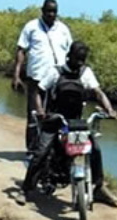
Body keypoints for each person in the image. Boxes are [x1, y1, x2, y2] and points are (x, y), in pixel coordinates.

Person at [21, 41, 117, 206]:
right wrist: (40, 111)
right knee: (41, 152)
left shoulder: (85, 73)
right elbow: (38, 90)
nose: (79, 62)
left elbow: (98, 93)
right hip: (54, 119)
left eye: (82, 59)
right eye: (77, 58)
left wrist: (109, 109)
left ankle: (98, 187)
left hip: (75, 122)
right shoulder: (56, 72)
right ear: (69, 56)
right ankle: (26, 189)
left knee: (95, 149)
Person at [13, 1, 73, 151]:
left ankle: (51, 149)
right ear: (42, 11)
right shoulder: (31, 27)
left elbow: (71, 53)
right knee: (34, 114)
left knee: (55, 115)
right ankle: (32, 150)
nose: (51, 14)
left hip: (58, 80)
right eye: (48, 11)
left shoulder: (63, 29)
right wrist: (16, 74)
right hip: (36, 77)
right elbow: (21, 50)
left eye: (54, 11)